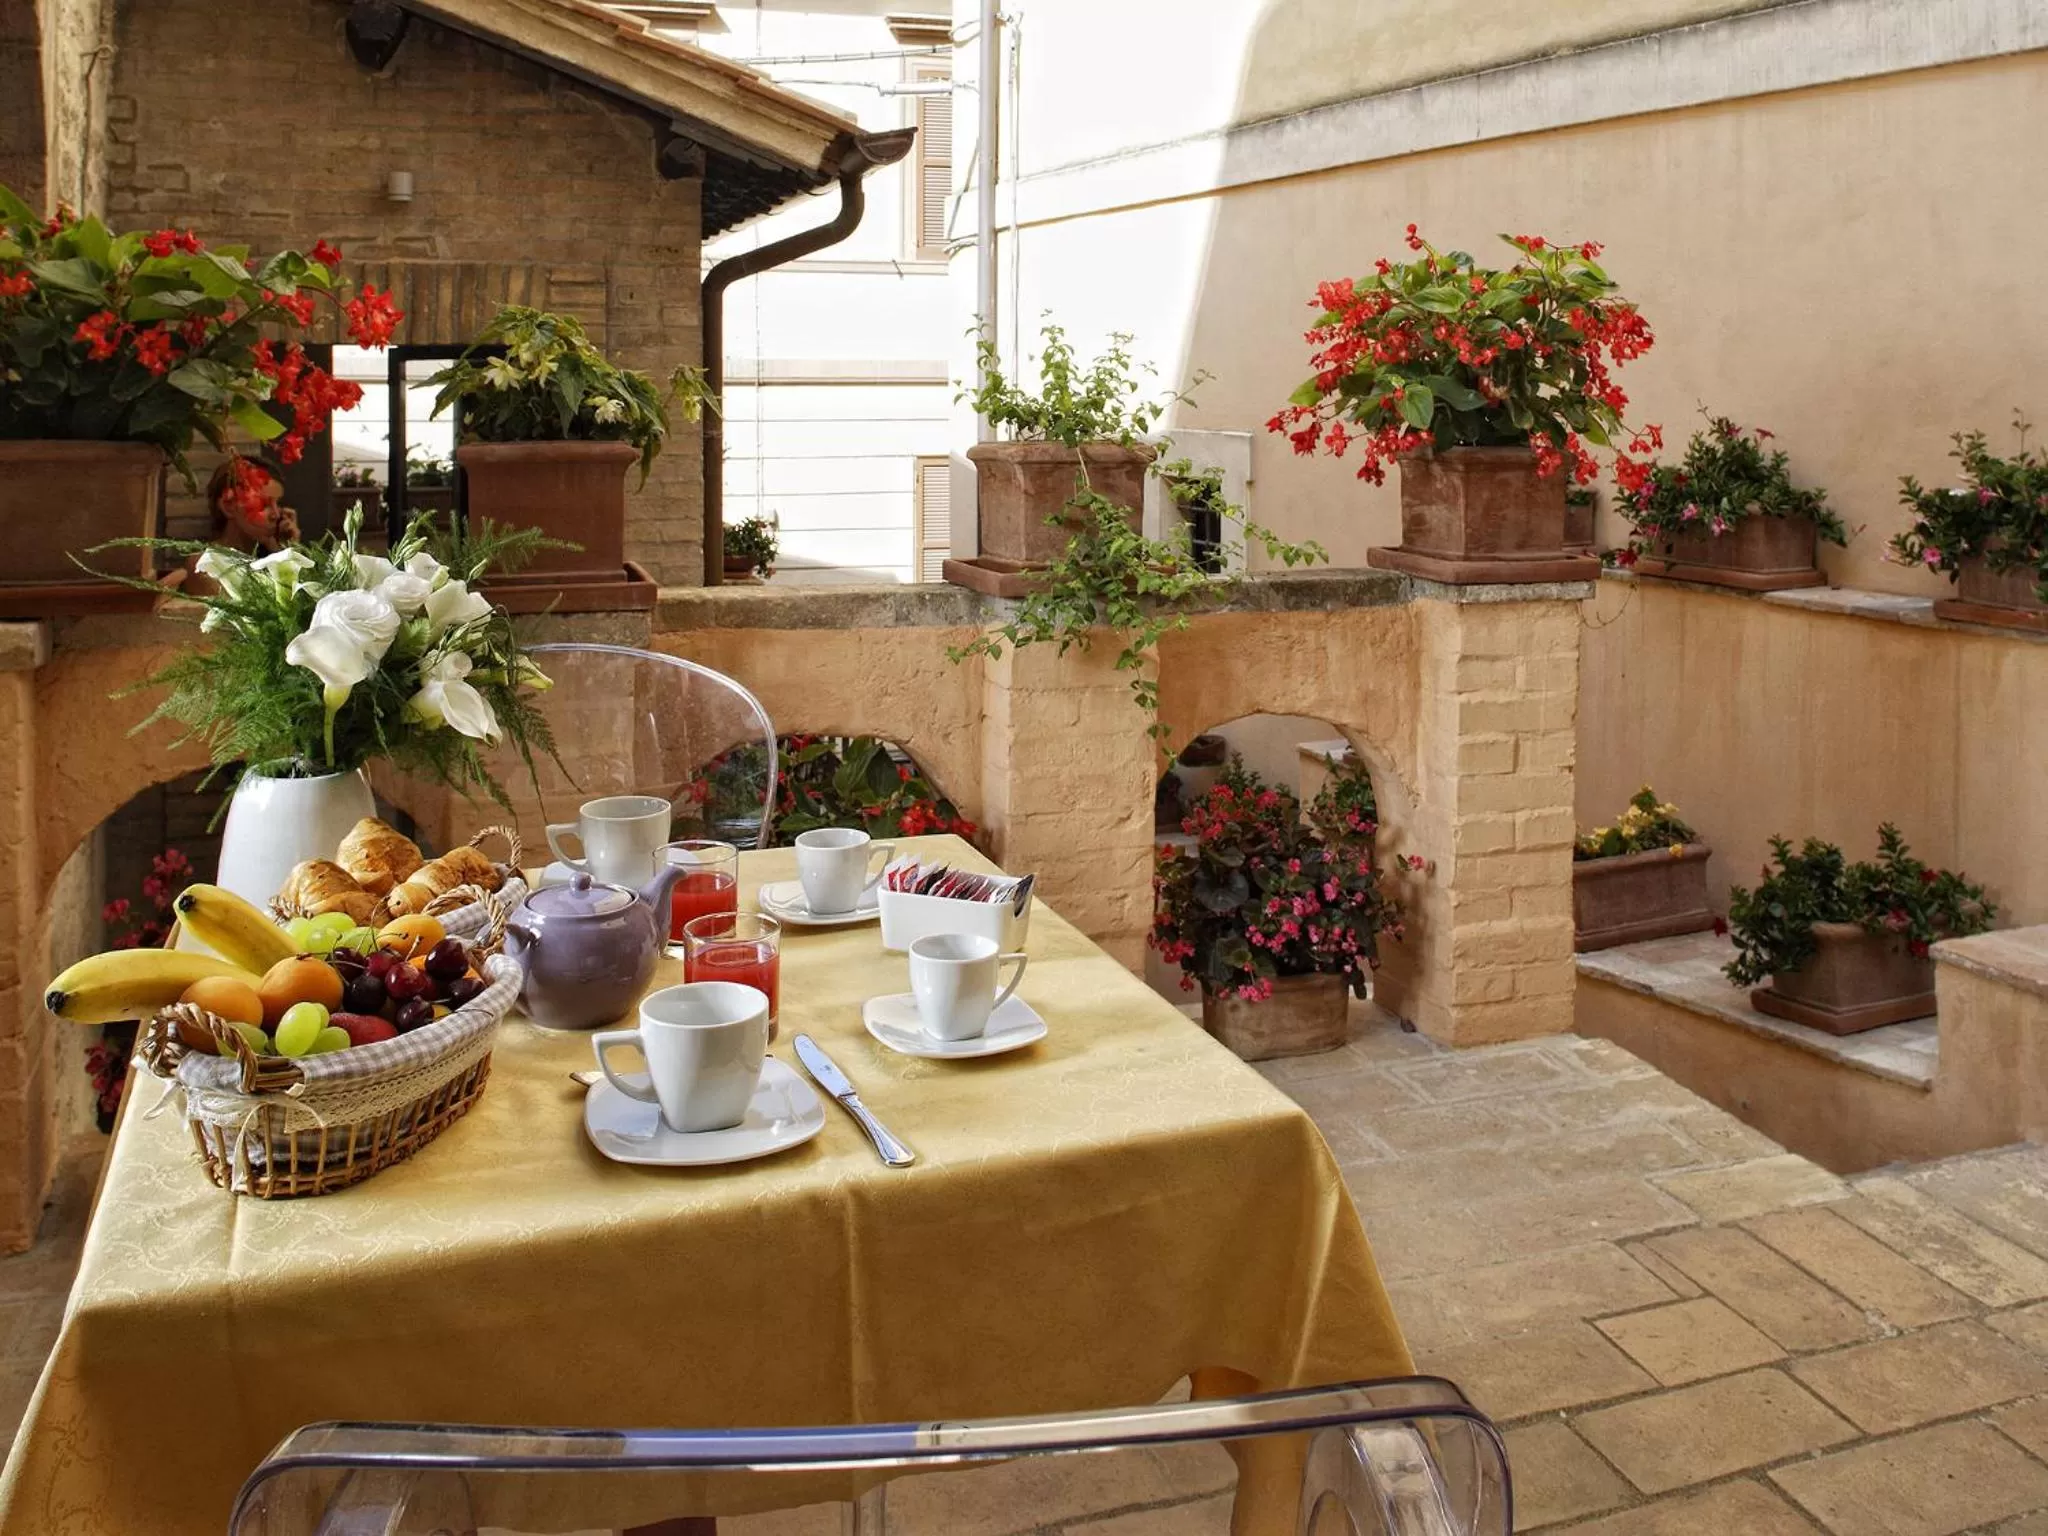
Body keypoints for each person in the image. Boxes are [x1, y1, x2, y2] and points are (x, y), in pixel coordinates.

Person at [204, 455, 300, 553]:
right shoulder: (204, 563)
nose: (276, 515)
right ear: (228, 506)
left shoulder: (268, 555)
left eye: (278, 503)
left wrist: (287, 550)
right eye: (263, 504)